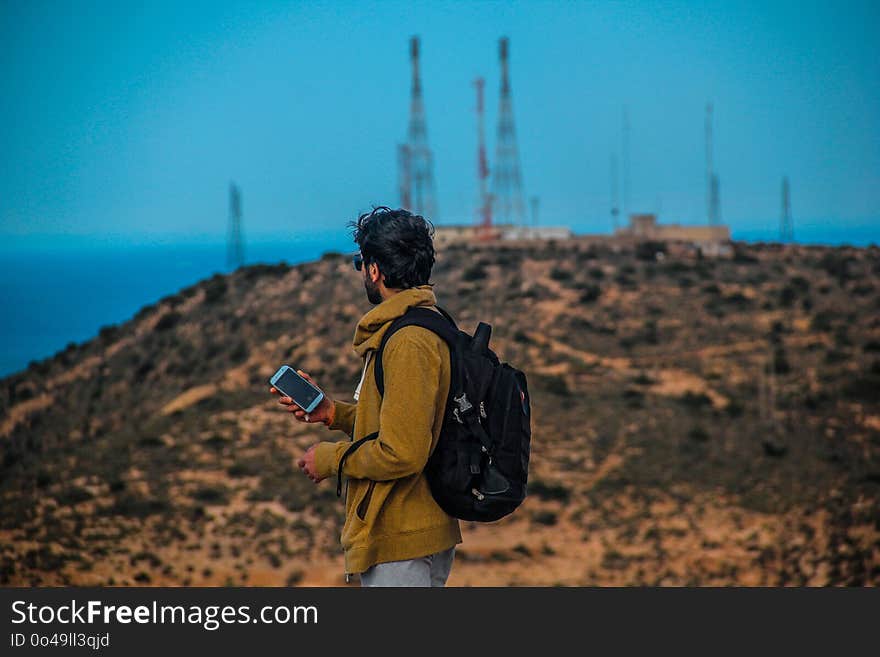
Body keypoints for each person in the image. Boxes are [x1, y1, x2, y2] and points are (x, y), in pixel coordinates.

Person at [269, 206, 460, 587]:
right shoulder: (420, 327)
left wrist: (330, 458)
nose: (361, 271)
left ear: (374, 270)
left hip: (401, 538)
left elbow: (402, 450)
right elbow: (408, 422)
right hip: (409, 532)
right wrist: (331, 413)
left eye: (361, 262)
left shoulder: (409, 341)